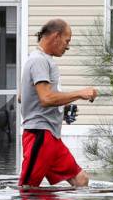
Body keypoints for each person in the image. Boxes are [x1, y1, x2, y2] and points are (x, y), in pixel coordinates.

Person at [19, 18, 98, 187]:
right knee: (27, 188)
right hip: (39, 134)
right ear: (56, 36)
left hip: (52, 136)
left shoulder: (43, 60)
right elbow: (46, 98)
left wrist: (63, 107)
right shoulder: (39, 60)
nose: (68, 46)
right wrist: (79, 93)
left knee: (81, 180)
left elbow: (22, 97)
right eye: (67, 40)